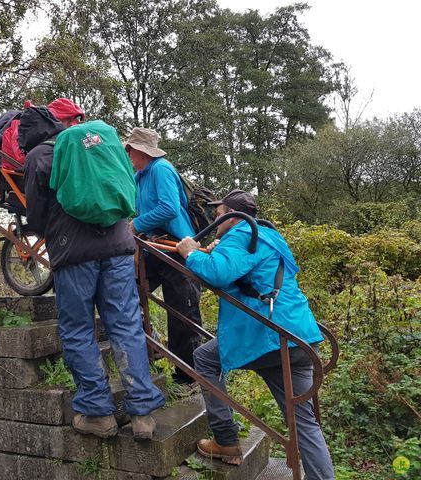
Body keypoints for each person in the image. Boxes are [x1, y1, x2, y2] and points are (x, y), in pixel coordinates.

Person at [21, 106, 165, 440]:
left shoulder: (40, 155)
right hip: (117, 244)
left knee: (78, 330)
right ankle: (142, 414)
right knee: (126, 326)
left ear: (27, 135)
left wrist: (54, 231)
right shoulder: (96, 142)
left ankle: (98, 413)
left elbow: (37, 216)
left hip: (74, 253)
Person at [176, 189, 335, 480]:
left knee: (204, 358)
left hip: (268, 337)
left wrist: (190, 253)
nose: (215, 217)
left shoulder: (240, 234)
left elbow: (219, 274)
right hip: (299, 337)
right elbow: (245, 271)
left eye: (219, 212)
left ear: (231, 214)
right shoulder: (268, 235)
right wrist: (214, 252)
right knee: (304, 424)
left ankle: (226, 441)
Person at [125, 127, 203, 385]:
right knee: (125, 292)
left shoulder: (161, 169)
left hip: (176, 248)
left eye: (130, 150)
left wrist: (136, 225)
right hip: (153, 248)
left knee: (182, 311)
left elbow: (169, 208)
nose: (128, 154)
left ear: (141, 151)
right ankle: (153, 342)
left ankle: (188, 378)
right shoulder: (139, 177)